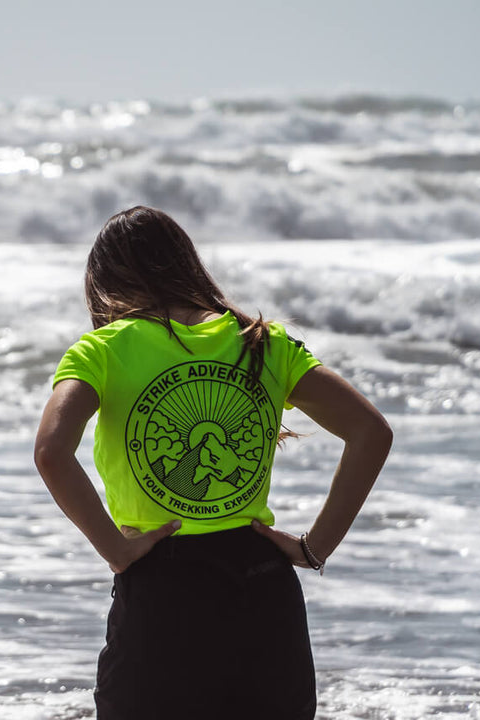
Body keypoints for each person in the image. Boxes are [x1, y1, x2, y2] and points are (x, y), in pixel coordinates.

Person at [34, 206, 392, 719]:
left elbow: (51, 451)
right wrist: (316, 548)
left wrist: (115, 548)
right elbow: (370, 431)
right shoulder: (262, 343)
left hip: (164, 592)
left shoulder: (103, 350)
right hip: (263, 589)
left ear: (106, 279)